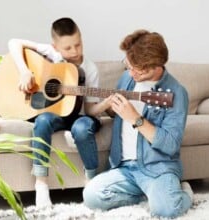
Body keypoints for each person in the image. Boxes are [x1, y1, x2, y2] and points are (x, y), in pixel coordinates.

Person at [82, 30, 193, 218]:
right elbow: (116, 115)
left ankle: (184, 194)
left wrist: (136, 118)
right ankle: (149, 194)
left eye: (135, 69)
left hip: (157, 168)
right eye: (128, 65)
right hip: (125, 168)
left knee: (166, 210)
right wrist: (110, 106)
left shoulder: (176, 92)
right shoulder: (127, 78)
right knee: (91, 197)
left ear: (155, 67)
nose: (130, 72)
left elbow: (170, 144)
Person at [8, 17, 108, 207]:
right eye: (68, 48)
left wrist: (106, 104)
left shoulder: (90, 69)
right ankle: (41, 184)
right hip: (57, 116)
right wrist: (24, 71)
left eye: (78, 45)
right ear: (55, 47)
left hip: (81, 117)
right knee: (43, 120)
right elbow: (13, 43)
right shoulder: (50, 54)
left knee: (81, 128)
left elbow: (90, 109)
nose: (75, 52)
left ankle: (91, 181)